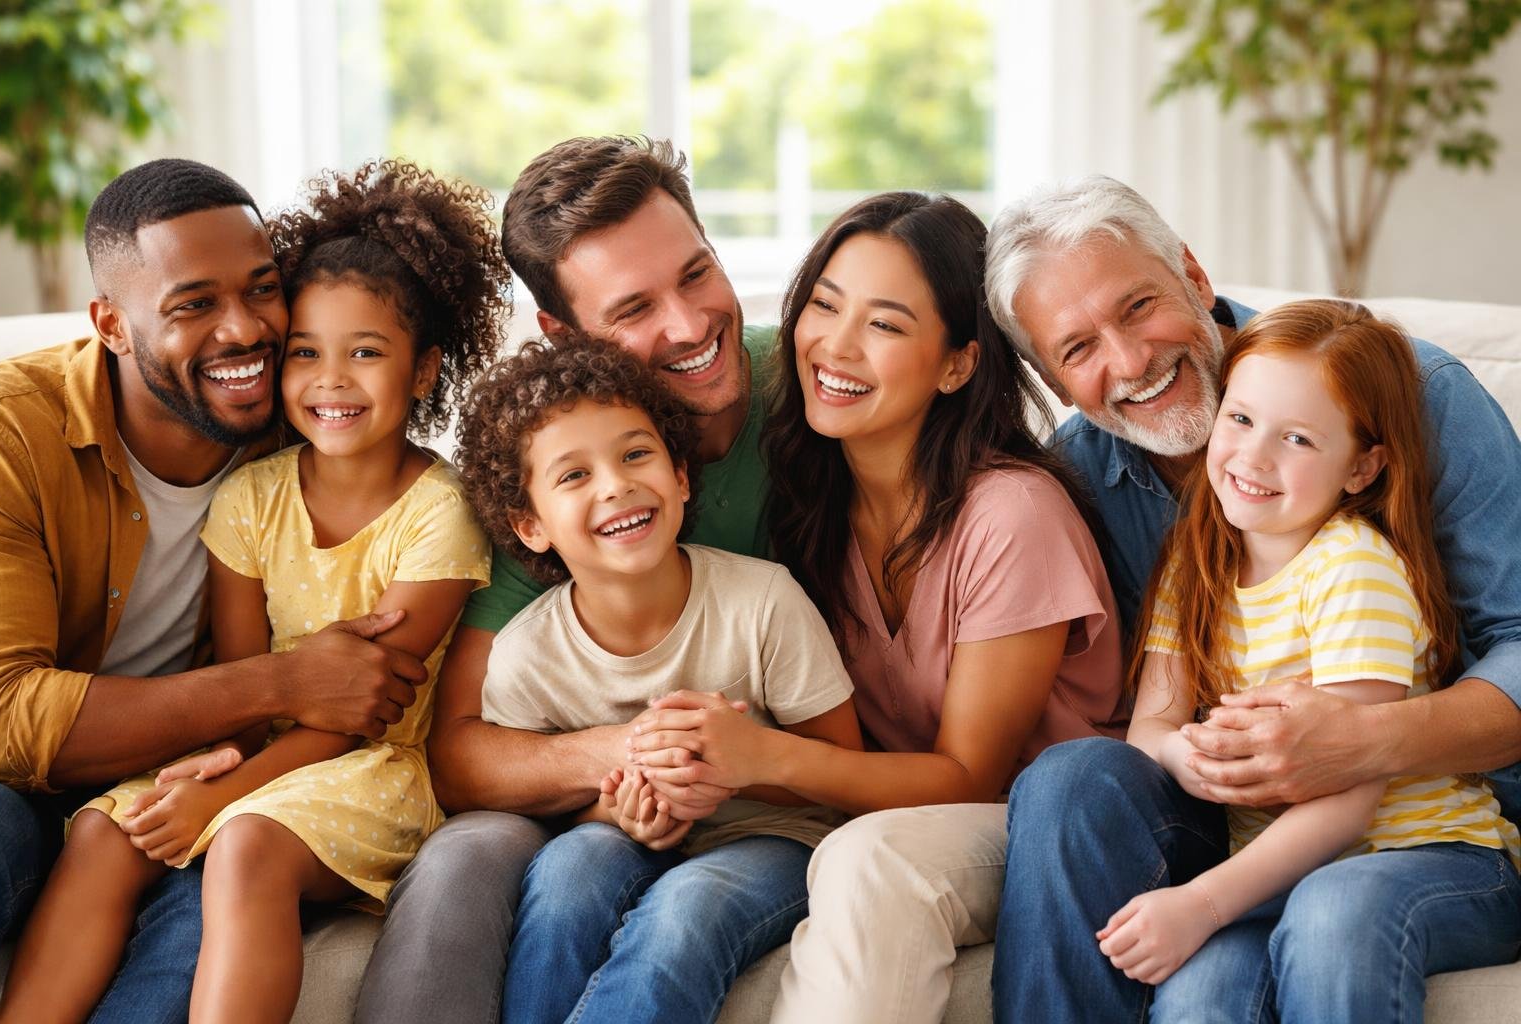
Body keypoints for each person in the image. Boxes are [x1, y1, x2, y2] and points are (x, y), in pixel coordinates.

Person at [985, 176, 1521, 1021]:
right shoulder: (1082, 478)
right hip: (1234, 821)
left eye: (1137, 307)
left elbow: (1518, 637)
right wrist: (1186, 756)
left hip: (1414, 820)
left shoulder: (1407, 397)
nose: (1128, 363)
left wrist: (1359, 741)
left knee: (1334, 913)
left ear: (1194, 276)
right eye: (1076, 349)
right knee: (1070, 781)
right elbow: (1137, 711)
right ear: (1048, 379)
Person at [0, 160, 503, 1024]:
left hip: (331, 765)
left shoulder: (314, 431)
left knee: (233, 852)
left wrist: (225, 780)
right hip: (45, 777)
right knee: (90, 834)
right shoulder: (14, 431)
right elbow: (3, 714)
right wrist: (271, 704)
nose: (247, 334)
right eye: (194, 303)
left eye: (263, 292)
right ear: (112, 325)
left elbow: (362, 702)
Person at [625, 191, 1126, 1023]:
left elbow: (974, 777)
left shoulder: (1013, 513)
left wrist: (763, 758)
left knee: (870, 860)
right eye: (824, 304)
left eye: (885, 325)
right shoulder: (815, 501)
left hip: (1041, 834)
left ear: (958, 363)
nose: (836, 345)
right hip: (892, 812)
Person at [356, 136, 773, 1022]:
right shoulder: (546, 471)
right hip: (592, 806)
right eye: (635, 308)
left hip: (773, 803)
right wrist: (634, 757)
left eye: (698, 274)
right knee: (470, 860)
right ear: (561, 333)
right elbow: (462, 752)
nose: (691, 325)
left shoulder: (817, 384)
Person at [1100, 300, 1521, 1019]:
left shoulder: (1354, 568)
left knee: (1334, 908)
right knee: (1198, 999)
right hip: (1278, 874)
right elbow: (1153, 727)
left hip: (1437, 857)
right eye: (1240, 420)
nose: (1255, 457)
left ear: (1361, 467)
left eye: (1297, 438)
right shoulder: (1192, 563)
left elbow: (1349, 794)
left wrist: (1202, 901)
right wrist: (1187, 758)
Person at [460, 338, 862, 1022]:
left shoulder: (763, 601)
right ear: (529, 526)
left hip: (772, 838)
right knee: (566, 872)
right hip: (621, 839)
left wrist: (728, 768)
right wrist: (610, 811)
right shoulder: (528, 654)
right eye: (573, 475)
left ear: (680, 476)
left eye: (635, 454)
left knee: (686, 907)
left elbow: (844, 774)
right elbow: (542, 810)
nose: (615, 484)